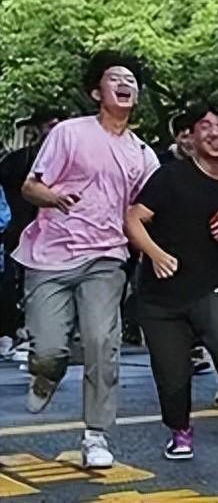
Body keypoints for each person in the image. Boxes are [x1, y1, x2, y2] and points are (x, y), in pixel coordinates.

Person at [18, 52, 160, 468]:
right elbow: (30, 187)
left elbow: (151, 210)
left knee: (102, 341)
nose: (125, 84)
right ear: (97, 92)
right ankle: (46, 372)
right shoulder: (69, 133)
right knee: (48, 350)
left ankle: (96, 435)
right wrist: (54, 197)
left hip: (107, 256)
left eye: (131, 80)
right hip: (50, 253)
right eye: (115, 78)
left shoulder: (143, 155)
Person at [124, 103, 218, 469]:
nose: (215, 132)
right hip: (160, 298)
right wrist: (156, 255)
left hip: (209, 288)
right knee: (173, 373)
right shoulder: (169, 177)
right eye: (205, 126)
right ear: (190, 137)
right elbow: (133, 219)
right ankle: (180, 430)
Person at [0, 108, 64, 360]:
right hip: (21, 228)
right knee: (17, 282)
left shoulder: (71, 158)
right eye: (49, 125)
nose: (52, 131)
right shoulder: (17, 161)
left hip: (59, 231)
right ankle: (20, 329)